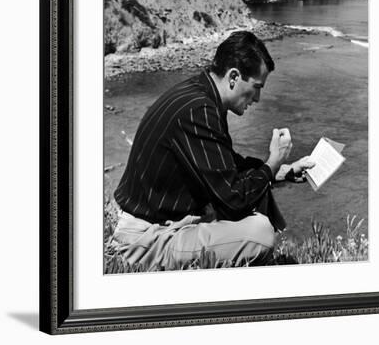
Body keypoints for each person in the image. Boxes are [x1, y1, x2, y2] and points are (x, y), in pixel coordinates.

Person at [112, 31, 314, 270]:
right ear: (234, 77)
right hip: (145, 240)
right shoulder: (200, 110)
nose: (258, 98)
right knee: (260, 233)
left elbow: (225, 165)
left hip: (157, 224)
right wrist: (271, 164)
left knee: (257, 193)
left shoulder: (200, 94)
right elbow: (233, 200)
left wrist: (282, 170)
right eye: (256, 87)